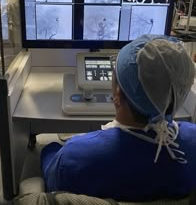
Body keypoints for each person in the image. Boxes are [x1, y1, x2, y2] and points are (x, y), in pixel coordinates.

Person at [41, 34, 196, 202]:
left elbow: (53, 182)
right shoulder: (192, 141)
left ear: (117, 94)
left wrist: (50, 148)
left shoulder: (74, 156)